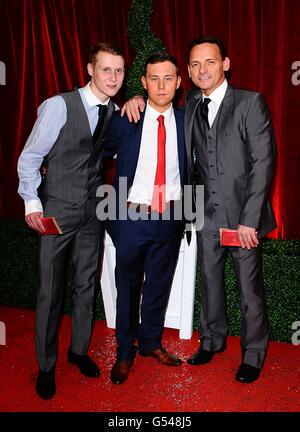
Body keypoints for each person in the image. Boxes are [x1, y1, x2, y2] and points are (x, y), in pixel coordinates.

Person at [122, 36, 277, 383]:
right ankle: (212, 340)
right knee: (210, 282)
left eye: (209, 62)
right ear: (188, 72)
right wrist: (135, 99)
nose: (201, 69)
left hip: (242, 218)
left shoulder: (251, 103)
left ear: (225, 63)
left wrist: (251, 220)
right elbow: (159, 110)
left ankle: (253, 354)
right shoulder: (191, 102)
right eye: (194, 64)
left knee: (249, 289)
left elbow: (263, 162)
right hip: (204, 213)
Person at [17, 42, 125, 399]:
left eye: (119, 71)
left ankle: (78, 351)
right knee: (50, 292)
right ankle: (46, 366)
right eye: (106, 69)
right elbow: (30, 157)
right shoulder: (58, 106)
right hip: (56, 211)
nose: (113, 77)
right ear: (90, 69)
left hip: (92, 212)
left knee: (85, 285)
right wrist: (32, 202)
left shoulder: (114, 110)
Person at [102, 52, 187, 385]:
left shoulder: (188, 120)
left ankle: (150, 342)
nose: (161, 85)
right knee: (127, 285)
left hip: (172, 215)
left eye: (168, 78)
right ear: (143, 83)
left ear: (179, 83)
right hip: (130, 216)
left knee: (158, 284)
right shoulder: (125, 119)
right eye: (154, 78)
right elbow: (95, 157)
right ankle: (125, 352)